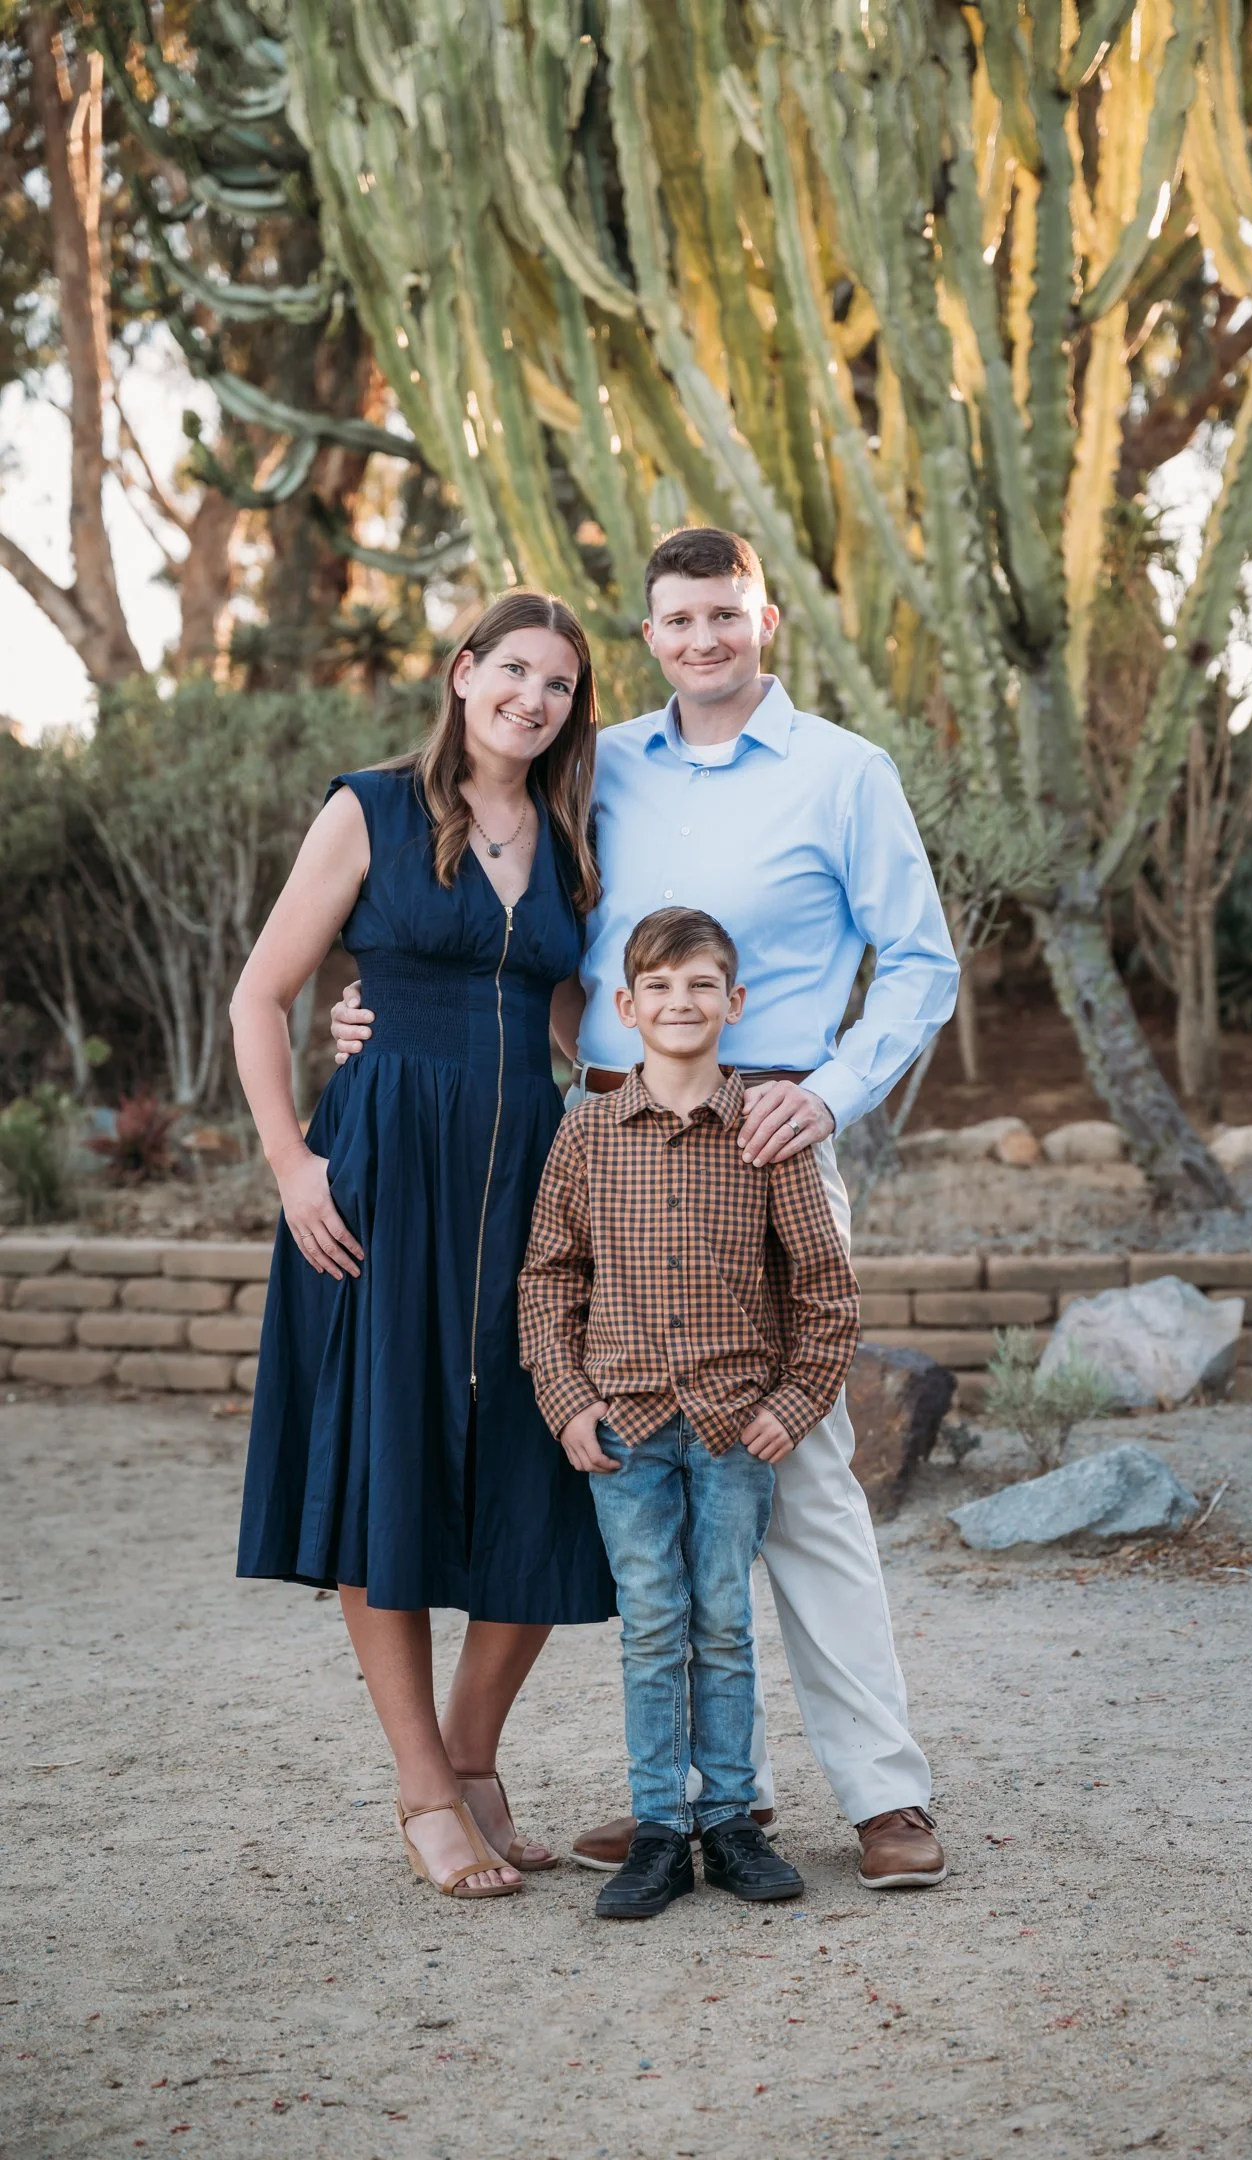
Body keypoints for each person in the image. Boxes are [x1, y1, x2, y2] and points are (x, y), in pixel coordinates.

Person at [334, 526, 958, 1890]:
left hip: (767, 1134)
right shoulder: (597, 767)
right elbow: (517, 921)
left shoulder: (846, 774)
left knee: (792, 1470)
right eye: (677, 621)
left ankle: (885, 1797)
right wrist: (375, 1010)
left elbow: (919, 963)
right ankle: (684, 1800)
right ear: (650, 635)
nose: (703, 641)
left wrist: (832, 1094)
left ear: (767, 619)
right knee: (641, 1475)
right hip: (606, 1136)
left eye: (725, 616)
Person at [231, 591, 615, 1904]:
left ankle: (473, 1758)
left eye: (558, 685)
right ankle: (418, 1792)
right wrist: (292, 1167)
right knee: (383, 1458)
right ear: (462, 675)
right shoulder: (372, 810)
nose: (533, 699)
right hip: (382, 1174)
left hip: (528, 1187)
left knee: (543, 1458)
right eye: (513, 670)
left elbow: (574, 1021)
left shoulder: (568, 839)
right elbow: (260, 993)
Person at [518, 906, 860, 1919]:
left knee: (720, 1618)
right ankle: (660, 1828)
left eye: (701, 985)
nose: (680, 1003)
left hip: (731, 1425)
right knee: (652, 1622)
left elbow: (825, 1291)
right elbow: (548, 1278)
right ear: (622, 1008)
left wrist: (795, 1405)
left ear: (734, 1001)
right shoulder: (586, 1130)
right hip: (623, 1426)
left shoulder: (766, 1129)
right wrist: (567, 1399)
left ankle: (731, 1823)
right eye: (658, 988)